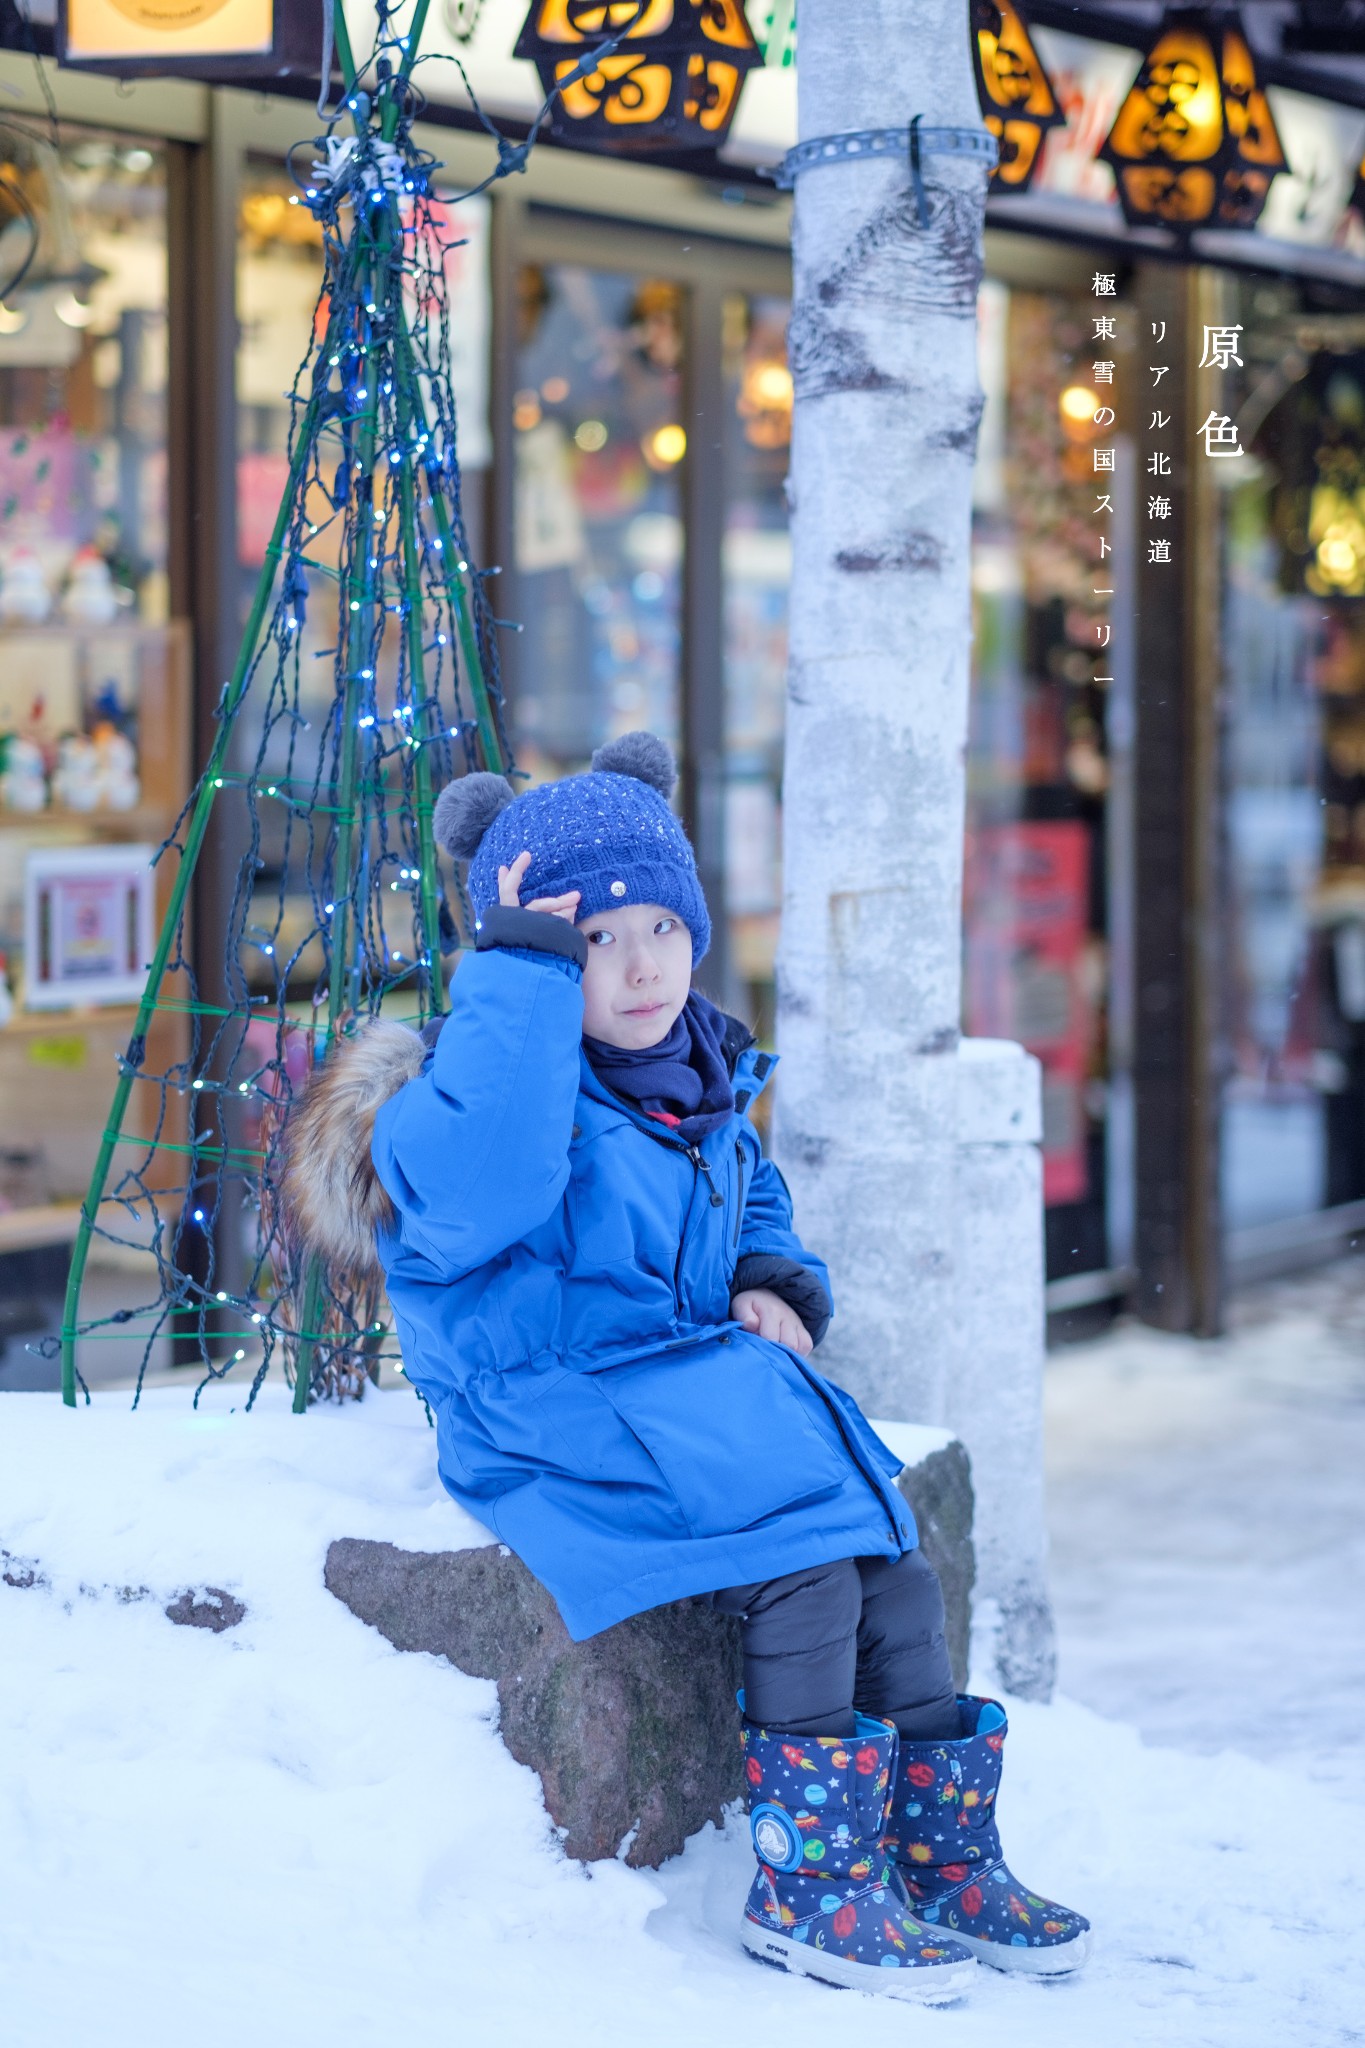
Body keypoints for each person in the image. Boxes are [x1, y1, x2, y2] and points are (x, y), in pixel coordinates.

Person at [287, 732, 1088, 2004]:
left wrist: (771, 1277)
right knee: (806, 1548)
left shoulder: (689, 1071)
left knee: (891, 1560)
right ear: (523, 956)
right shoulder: (482, 1089)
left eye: (663, 920)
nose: (644, 958)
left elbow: (748, 1188)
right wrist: (521, 983)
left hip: (672, 1378)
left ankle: (937, 1851)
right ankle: (809, 1880)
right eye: (597, 938)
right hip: (547, 1398)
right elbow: (485, 1185)